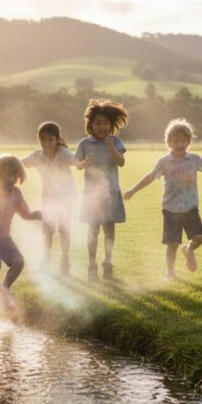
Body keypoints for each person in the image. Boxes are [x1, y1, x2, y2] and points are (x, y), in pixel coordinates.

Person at [124, 118, 202, 278]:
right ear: (168, 142)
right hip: (170, 210)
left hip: (190, 208)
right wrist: (133, 189)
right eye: (175, 141)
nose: (179, 144)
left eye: (183, 141)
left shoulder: (194, 160)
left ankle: (188, 250)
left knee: (199, 238)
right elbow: (151, 177)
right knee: (172, 244)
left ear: (188, 142)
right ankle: (170, 272)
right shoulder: (163, 162)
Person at [0, 155, 42, 310]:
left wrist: (34, 215)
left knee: (18, 262)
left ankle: (3, 289)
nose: (11, 179)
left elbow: (24, 213)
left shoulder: (16, 194)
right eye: (8, 175)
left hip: (3, 237)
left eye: (15, 175)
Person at [21, 121, 87, 275]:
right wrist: (7, 163)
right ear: (39, 139)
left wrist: (84, 163)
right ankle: (46, 260)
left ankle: (65, 261)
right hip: (48, 198)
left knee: (63, 229)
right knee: (47, 229)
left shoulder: (63, 153)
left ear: (57, 139)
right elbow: (21, 163)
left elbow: (76, 163)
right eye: (43, 139)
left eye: (50, 139)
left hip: (66, 197)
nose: (46, 143)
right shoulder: (37, 155)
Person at [75, 99, 128, 281]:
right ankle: (92, 264)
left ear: (111, 125)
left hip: (111, 193)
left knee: (109, 230)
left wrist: (112, 148)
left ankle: (107, 262)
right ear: (90, 124)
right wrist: (84, 163)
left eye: (105, 123)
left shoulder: (115, 141)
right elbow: (78, 166)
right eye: (98, 123)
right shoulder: (84, 144)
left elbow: (121, 162)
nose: (102, 127)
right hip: (92, 196)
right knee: (93, 230)